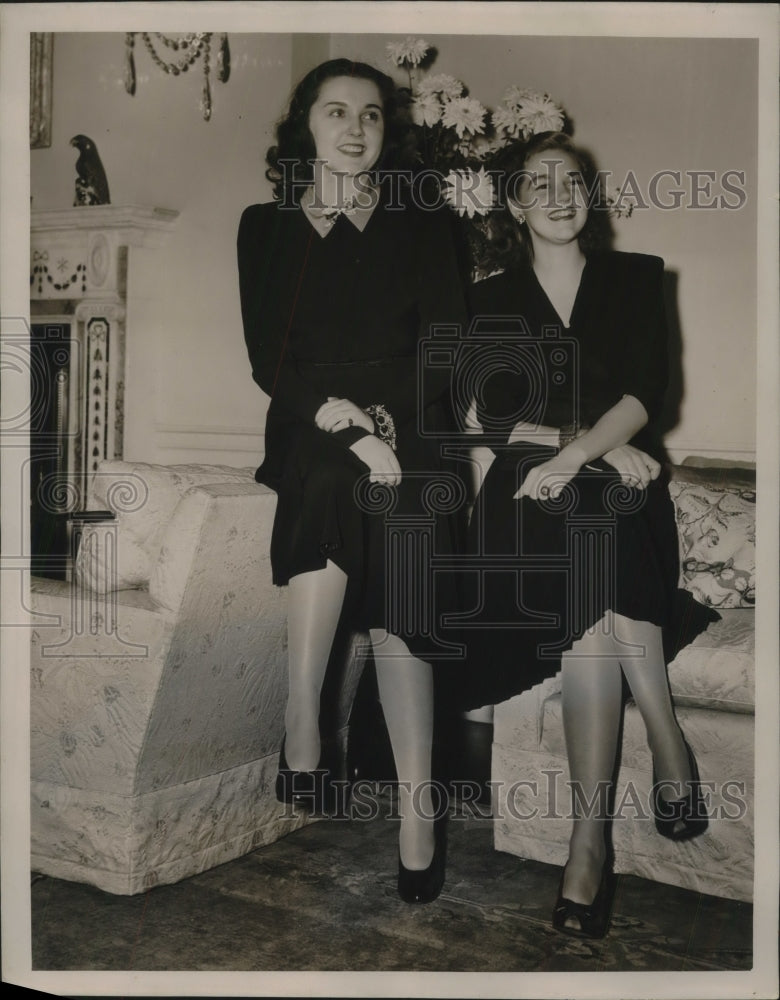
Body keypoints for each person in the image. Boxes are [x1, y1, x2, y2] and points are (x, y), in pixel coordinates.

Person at [458, 132, 718, 937]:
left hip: (603, 490)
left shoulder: (637, 280)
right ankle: (664, 734)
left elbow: (649, 392)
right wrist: (591, 449)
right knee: (587, 510)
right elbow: (482, 416)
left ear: (589, 194)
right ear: (513, 205)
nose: (558, 194)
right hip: (531, 496)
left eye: (572, 181)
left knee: (596, 528)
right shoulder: (487, 295)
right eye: (538, 183)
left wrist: (583, 452)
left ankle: (587, 844)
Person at [237, 59, 466, 904]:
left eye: (371, 114)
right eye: (336, 112)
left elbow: (444, 351)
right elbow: (270, 359)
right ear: (306, 126)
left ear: (386, 129)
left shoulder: (422, 222)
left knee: (405, 568)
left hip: (411, 417)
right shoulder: (265, 226)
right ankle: (306, 712)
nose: (355, 127)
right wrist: (345, 425)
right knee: (334, 481)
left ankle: (417, 809)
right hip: (311, 418)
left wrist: (379, 426)